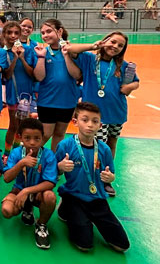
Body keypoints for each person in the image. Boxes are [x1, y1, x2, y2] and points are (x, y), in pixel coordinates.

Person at [64, 32, 139, 196]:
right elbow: (71, 49)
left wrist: (130, 87)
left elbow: (136, 81)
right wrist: (94, 45)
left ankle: (106, 178)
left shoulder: (123, 66)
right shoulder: (90, 59)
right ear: (105, 41)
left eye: (120, 46)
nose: (115, 47)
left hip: (117, 113)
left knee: (111, 146)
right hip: (97, 117)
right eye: (113, 42)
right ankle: (93, 177)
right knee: (98, 148)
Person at [55, 102, 130, 252]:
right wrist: (60, 167)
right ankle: (65, 206)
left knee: (122, 246)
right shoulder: (65, 146)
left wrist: (110, 178)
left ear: (100, 125)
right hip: (74, 195)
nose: (90, 125)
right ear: (75, 122)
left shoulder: (104, 149)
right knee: (84, 245)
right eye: (85, 120)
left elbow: (112, 174)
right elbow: (52, 173)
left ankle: (89, 217)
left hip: (97, 199)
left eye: (95, 121)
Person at [2, 118, 57, 249]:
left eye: (37, 138)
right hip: (18, 191)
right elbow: (6, 178)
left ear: (42, 138)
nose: (32, 143)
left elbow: (50, 183)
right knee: (6, 210)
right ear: (21, 138)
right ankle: (27, 210)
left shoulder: (48, 155)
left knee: (50, 197)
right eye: (27, 138)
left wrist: (26, 191)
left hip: (38, 194)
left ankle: (41, 225)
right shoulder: (16, 153)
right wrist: (21, 163)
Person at [33, 19, 79, 152]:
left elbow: (77, 75)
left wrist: (67, 55)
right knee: (45, 134)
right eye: (42, 33)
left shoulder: (72, 51)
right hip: (47, 101)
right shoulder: (42, 52)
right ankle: (30, 158)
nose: (45, 35)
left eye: (48, 31)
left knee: (59, 134)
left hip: (67, 101)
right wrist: (41, 57)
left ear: (59, 31)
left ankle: (53, 163)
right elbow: (39, 77)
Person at [2, 22, 36, 162]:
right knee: (13, 125)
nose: (13, 36)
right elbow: (7, 75)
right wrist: (15, 58)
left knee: (22, 125)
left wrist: (22, 57)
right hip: (12, 94)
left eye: (16, 33)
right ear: (4, 34)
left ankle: (16, 152)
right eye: (9, 33)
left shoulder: (28, 50)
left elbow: (32, 73)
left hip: (25, 95)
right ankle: (7, 154)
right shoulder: (3, 53)